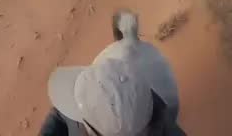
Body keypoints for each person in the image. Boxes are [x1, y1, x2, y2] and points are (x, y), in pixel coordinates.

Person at [41, 11, 184, 136]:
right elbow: (60, 115)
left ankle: (128, 40)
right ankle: (129, 41)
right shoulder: (164, 123)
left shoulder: (88, 110)